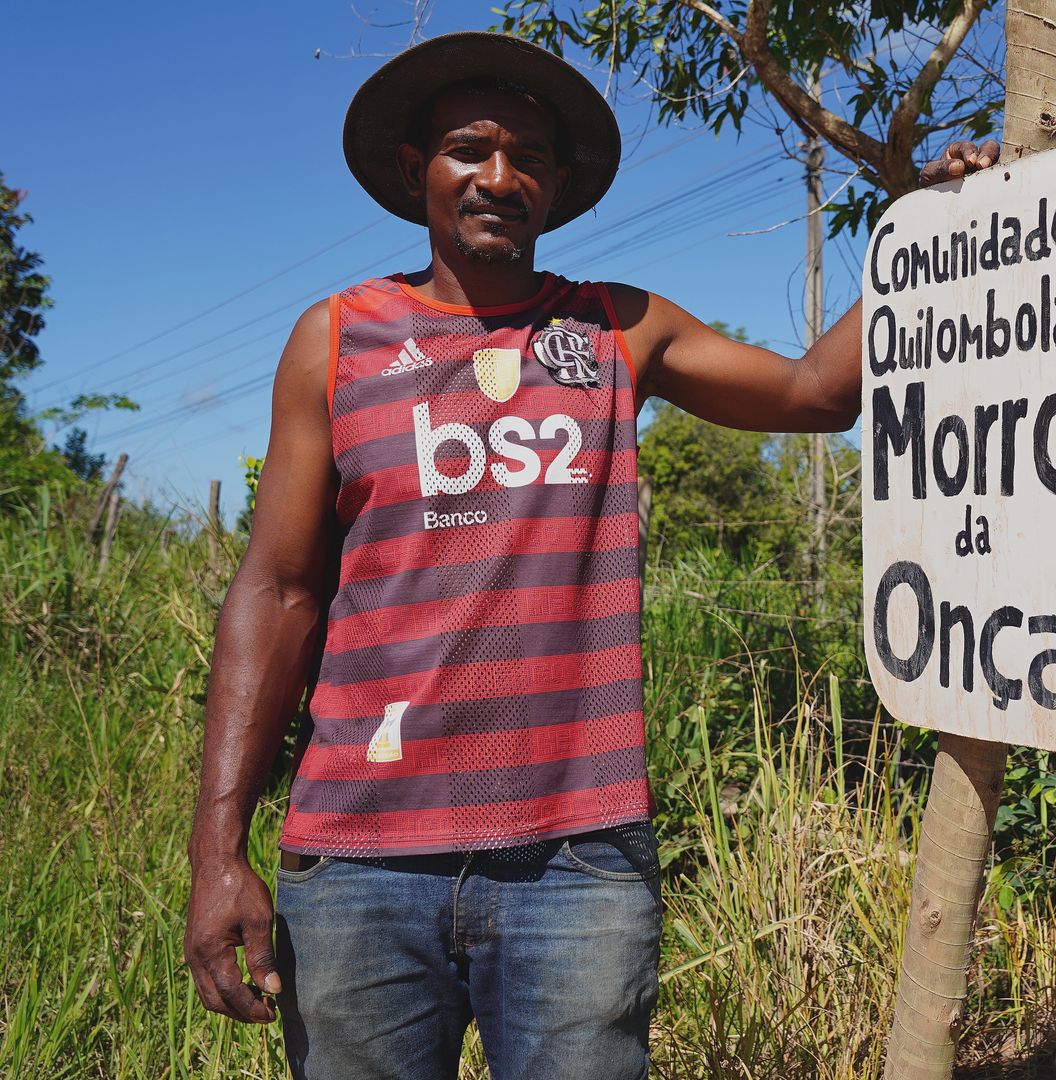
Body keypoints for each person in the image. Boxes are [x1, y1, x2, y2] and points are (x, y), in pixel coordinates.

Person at [181, 31, 999, 1080]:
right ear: (411, 169)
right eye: (469, 148)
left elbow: (815, 394)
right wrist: (218, 855)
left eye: (527, 157)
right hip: (358, 862)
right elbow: (280, 591)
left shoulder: (616, 330)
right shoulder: (336, 338)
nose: (499, 177)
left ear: (557, 188)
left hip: (578, 860)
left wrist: (928, 224)